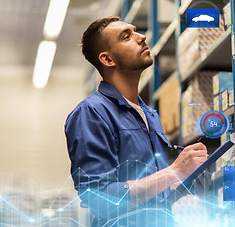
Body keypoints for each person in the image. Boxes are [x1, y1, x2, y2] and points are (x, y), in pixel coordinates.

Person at [65, 16, 208, 227]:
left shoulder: (149, 114)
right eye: (126, 37)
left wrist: (190, 177)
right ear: (107, 59)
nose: (141, 37)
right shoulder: (91, 113)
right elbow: (98, 198)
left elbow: (156, 194)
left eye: (136, 31)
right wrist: (173, 171)